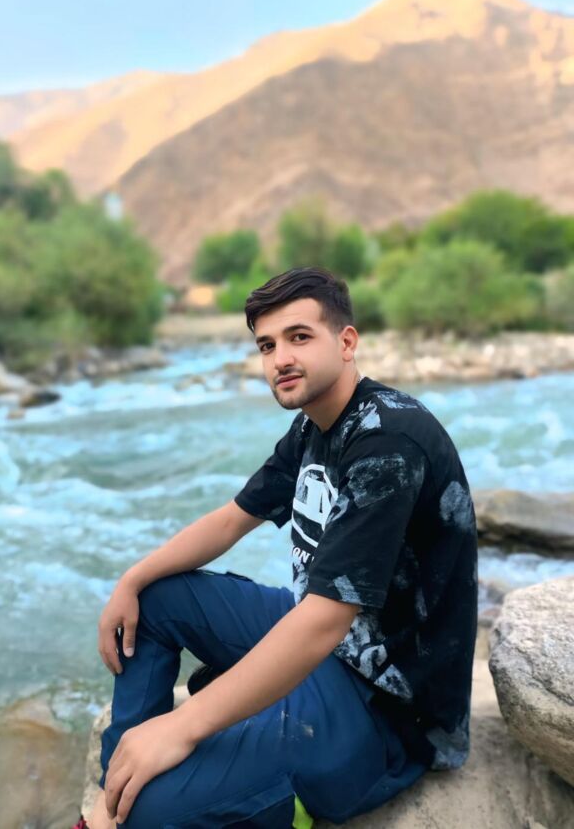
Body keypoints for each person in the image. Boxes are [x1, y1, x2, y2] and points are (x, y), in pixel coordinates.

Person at [88, 267, 478, 828]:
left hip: (386, 713)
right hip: (329, 651)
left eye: (299, 337)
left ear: (346, 342)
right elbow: (230, 520)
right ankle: (120, 782)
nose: (281, 359)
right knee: (153, 600)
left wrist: (182, 724)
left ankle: (161, 801)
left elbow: (324, 621)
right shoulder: (314, 426)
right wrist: (131, 579)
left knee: (152, 812)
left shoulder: (389, 443)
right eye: (267, 345)